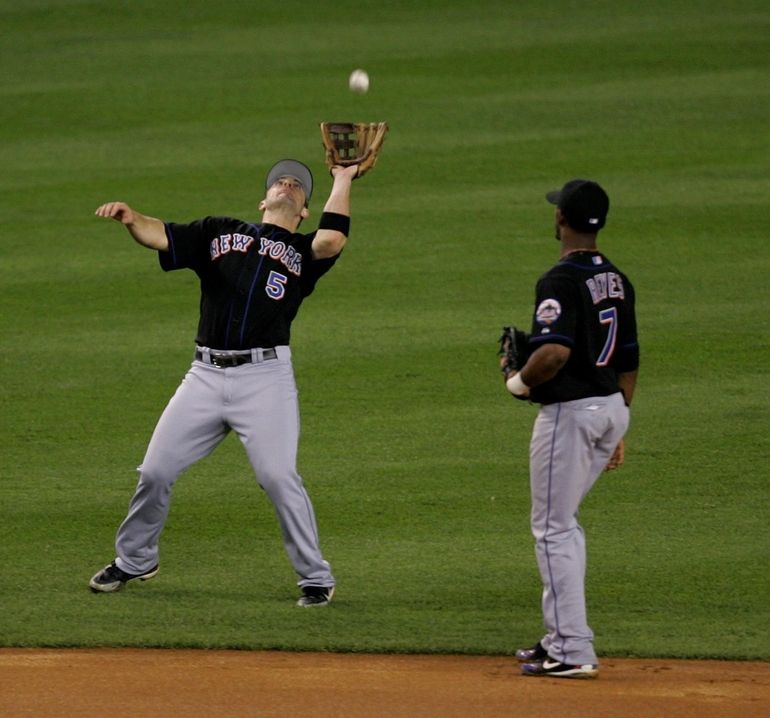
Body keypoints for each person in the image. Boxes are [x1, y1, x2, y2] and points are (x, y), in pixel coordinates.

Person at [89, 159, 360, 607]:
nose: (288, 184)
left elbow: (333, 239)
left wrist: (344, 179)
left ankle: (315, 576)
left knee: (278, 477)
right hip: (205, 376)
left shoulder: (304, 252)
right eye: (281, 181)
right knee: (156, 471)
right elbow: (162, 235)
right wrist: (132, 219)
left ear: (304, 210)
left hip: (265, 378)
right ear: (264, 199)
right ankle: (135, 559)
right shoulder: (218, 232)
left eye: (298, 187)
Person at [502, 179, 639, 677]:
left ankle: (573, 651)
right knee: (565, 523)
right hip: (608, 407)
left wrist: (518, 383)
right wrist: (615, 422)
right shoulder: (618, 278)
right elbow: (627, 361)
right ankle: (560, 635)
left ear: (562, 220)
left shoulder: (558, 281)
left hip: (572, 415)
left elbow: (553, 353)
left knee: (553, 528)